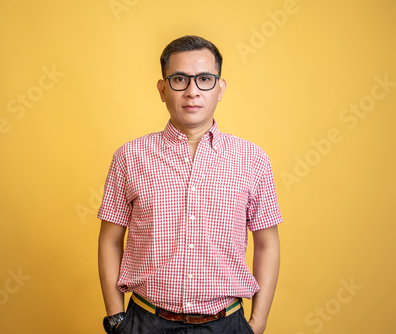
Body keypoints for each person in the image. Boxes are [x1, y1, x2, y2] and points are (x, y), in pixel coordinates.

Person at [98, 35, 282, 334]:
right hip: (144, 322)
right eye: (180, 79)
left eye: (205, 79)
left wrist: (258, 323)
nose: (193, 92)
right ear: (162, 88)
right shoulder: (129, 157)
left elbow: (267, 243)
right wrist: (116, 318)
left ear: (220, 88)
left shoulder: (253, 159)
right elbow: (109, 240)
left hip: (227, 324)